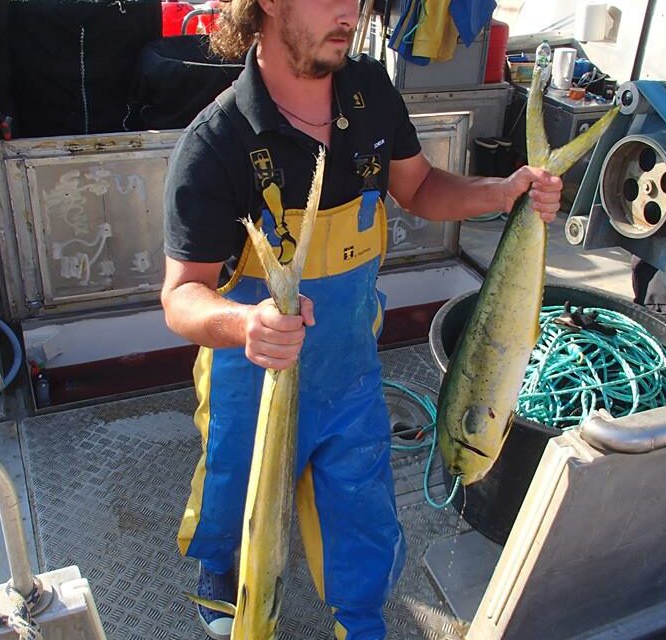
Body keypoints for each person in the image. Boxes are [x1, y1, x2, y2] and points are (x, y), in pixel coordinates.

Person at [160, 1, 563, 638]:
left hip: (350, 370)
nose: (348, 11)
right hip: (253, 381)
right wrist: (246, 325)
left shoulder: (370, 89)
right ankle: (223, 575)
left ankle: (361, 618)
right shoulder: (216, 142)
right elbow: (182, 294)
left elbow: (420, 187)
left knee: (363, 512)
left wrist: (503, 192)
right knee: (233, 495)